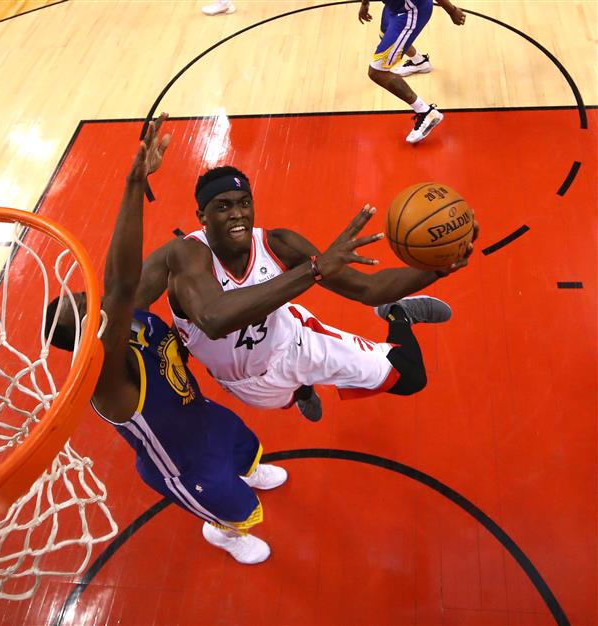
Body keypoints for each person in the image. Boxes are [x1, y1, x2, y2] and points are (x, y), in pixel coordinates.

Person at [44, 116, 287, 565]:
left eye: (82, 294)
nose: (89, 296)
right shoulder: (104, 372)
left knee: (245, 447)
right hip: (182, 463)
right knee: (232, 508)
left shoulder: (131, 318)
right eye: (82, 305)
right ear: (83, 334)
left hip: (202, 416)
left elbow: (131, 289)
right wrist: (135, 184)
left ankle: (244, 473)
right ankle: (225, 535)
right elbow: (120, 283)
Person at [138, 165, 477, 421]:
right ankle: (302, 388)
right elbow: (214, 319)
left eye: (244, 202)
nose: (238, 213)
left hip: (297, 343)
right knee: (285, 398)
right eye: (223, 207)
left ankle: (398, 315)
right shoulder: (187, 255)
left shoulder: (278, 244)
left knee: (411, 377)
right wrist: (313, 270)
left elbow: (368, 288)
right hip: (244, 382)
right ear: (202, 216)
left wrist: (437, 268)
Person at [358, 0, 466, 143]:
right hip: (393, 8)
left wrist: (451, 10)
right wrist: (365, 3)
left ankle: (426, 112)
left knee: (377, 72)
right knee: (385, 36)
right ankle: (420, 62)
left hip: (411, 12)